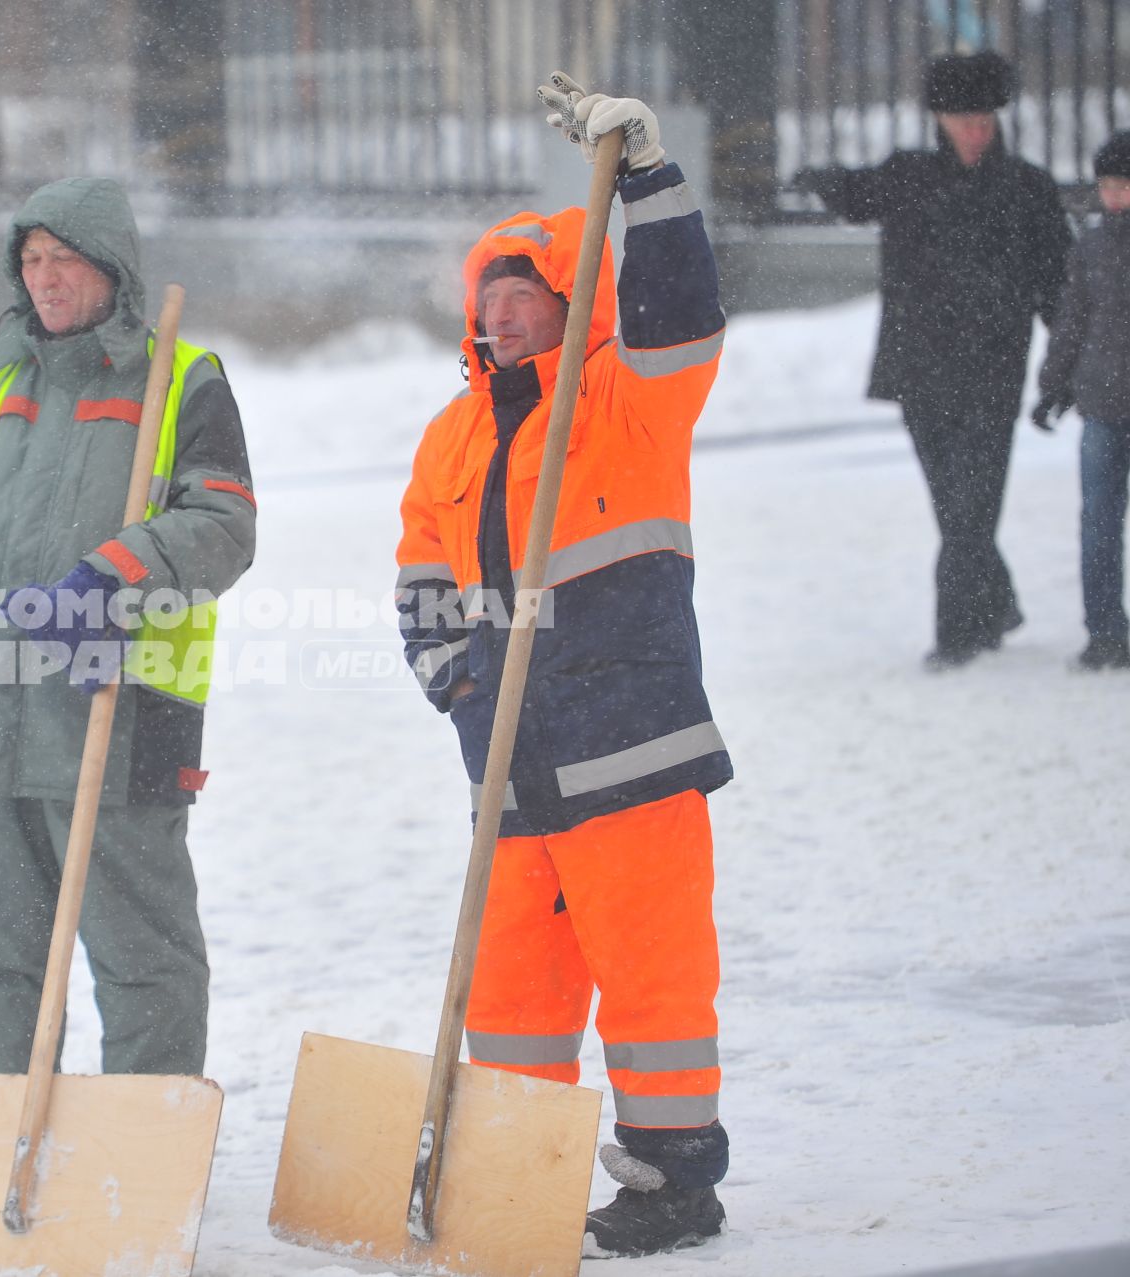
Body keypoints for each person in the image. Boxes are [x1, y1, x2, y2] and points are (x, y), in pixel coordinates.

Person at [396, 74, 731, 1256]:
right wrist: (458, 686)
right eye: (486, 298)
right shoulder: (457, 432)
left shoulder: (629, 403)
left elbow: (681, 311)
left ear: (570, 302)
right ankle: (512, 1169)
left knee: (654, 984)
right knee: (513, 993)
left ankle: (674, 1179)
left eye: (523, 294)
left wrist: (644, 174)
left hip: (631, 746)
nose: (500, 314)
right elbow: (422, 575)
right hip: (513, 762)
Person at [0, 177, 255, 1076]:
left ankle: (142, 1157)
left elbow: (225, 523)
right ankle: (0, 1133)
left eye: (66, 260)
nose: (46, 279)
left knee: (142, 961)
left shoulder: (181, 380)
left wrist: (109, 579)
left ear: (112, 269)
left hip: (120, 715)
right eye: (32, 259)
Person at [797, 52, 1071, 670]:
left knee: (972, 506)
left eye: (984, 118)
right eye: (962, 118)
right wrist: (814, 175)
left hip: (994, 370)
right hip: (920, 369)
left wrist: (1078, 359)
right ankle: (996, 605)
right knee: (956, 504)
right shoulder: (910, 175)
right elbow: (856, 195)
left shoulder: (1027, 188)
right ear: (941, 119)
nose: (975, 130)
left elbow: (1059, 284)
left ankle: (956, 636)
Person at [1034, 132, 1130, 671]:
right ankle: (1105, 632)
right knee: (1098, 522)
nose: (1115, 197)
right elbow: (1072, 321)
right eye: (1108, 186)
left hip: (1107, 396)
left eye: (1124, 186)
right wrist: (1054, 385)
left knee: (1100, 519)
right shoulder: (1092, 245)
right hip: (1102, 402)